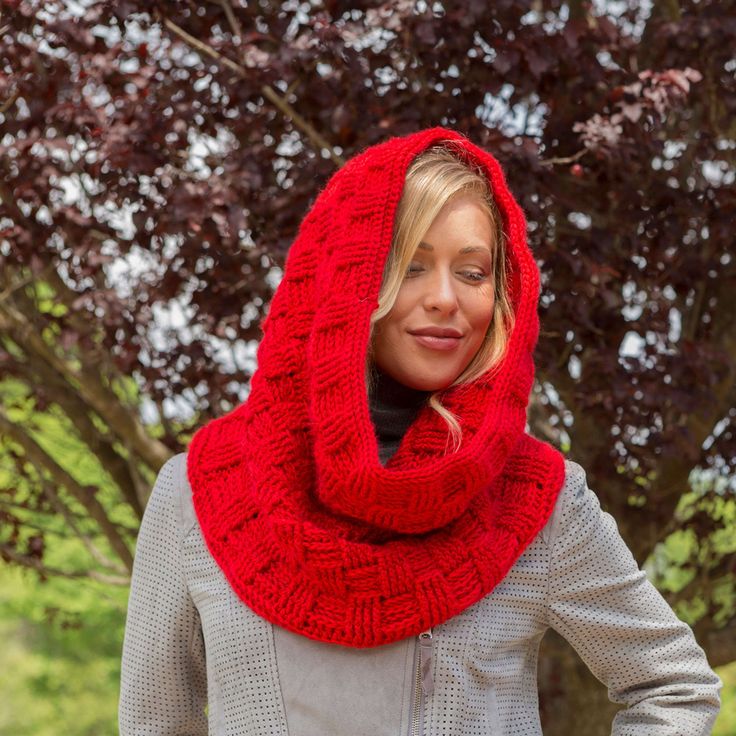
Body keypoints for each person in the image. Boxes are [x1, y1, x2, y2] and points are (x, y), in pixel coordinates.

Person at [118, 127, 722, 735]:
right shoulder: (198, 493)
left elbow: (672, 686)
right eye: (410, 266)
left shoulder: (536, 496)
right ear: (343, 278)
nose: (444, 299)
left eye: (473, 272)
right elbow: (153, 723)